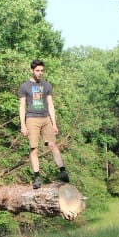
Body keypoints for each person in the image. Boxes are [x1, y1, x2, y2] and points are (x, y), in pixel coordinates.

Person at [18, 59, 69, 189]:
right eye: (37, 71)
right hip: (32, 119)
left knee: (53, 145)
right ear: (32, 70)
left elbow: (51, 105)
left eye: (42, 71)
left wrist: (54, 123)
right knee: (34, 148)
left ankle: (62, 171)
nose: (40, 73)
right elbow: (22, 106)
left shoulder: (47, 86)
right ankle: (37, 177)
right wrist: (23, 125)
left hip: (46, 118)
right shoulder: (25, 86)